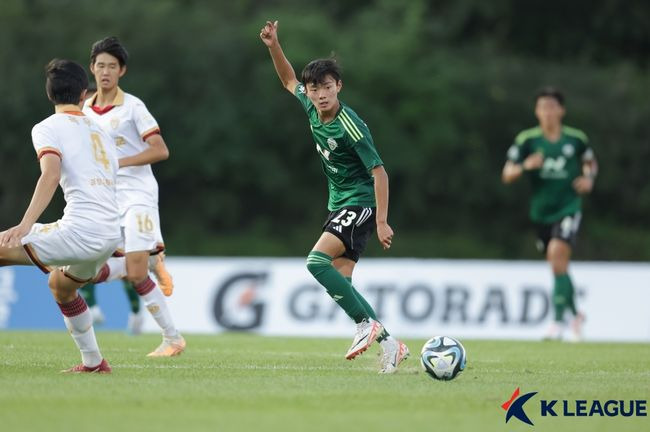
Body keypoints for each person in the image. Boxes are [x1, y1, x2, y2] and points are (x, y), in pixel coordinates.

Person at [260, 21, 409, 373]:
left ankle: (365, 326)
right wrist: (273, 45)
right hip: (338, 205)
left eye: (327, 87)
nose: (321, 94)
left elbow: (379, 172)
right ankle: (390, 344)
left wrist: (383, 220)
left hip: (359, 204)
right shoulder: (311, 107)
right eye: (315, 88)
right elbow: (286, 80)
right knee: (341, 283)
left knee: (315, 262)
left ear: (338, 86)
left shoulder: (350, 125)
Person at [0, 59, 120, 372]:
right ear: (84, 94)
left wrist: (24, 226)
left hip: (81, 232)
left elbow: (50, 174)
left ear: (49, 94)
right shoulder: (102, 131)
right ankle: (94, 363)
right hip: (108, 234)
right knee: (62, 286)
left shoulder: (47, 127)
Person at [82, 36, 185, 357]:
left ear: (122, 71)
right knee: (99, 265)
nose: (105, 72)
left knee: (135, 271)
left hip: (137, 195)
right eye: (100, 66)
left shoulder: (133, 107)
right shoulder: (85, 108)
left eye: (112, 66)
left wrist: (118, 162)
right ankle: (153, 257)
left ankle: (172, 339)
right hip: (104, 198)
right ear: (92, 69)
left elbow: (160, 150)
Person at [502, 87, 598, 342]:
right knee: (558, 266)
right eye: (542, 107)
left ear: (561, 110)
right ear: (536, 111)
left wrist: (588, 179)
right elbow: (507, 173)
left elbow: (590, 161)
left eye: (552, 106)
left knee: (557, 255)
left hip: (568, 207)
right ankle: (576, 314)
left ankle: (557, 322)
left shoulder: (575, 139)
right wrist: (525, 166)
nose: (547, 112)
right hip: (541, 213)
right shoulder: (528, 140)